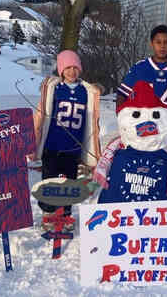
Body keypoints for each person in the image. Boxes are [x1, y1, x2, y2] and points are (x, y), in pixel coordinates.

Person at [30, 50, 101, 230]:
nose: (72, 72)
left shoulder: (85, 91)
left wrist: (99, 89)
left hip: (72, 148)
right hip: (52, 146)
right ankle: (48, 213)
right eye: (67, 68)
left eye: (75, 68)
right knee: (50, 182)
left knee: (69, 182)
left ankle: (65, 214)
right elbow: (41, 114)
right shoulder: (55, 89)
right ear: (61, 70)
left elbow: (93, 107)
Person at [117, 24, 167, 147]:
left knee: (164, 163)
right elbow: (122, 96)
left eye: (166, 42)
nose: (162, 46)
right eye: (158, 42)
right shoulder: (140, 68)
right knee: (142, 164)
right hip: (142, 125)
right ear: (152, 43)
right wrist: (124, 123)